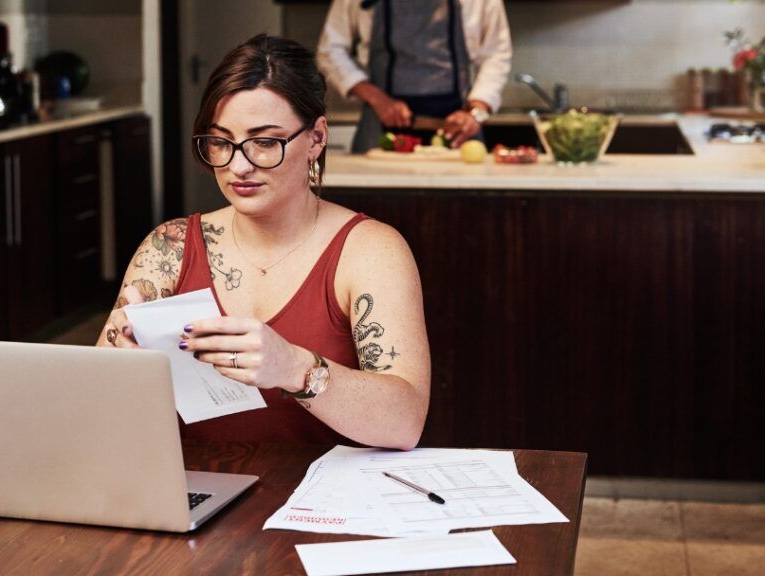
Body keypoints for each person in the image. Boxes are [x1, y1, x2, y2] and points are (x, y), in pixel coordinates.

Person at [97, 35, 430, 450]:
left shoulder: (370, 252)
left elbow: (405, 423)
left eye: (265, 142)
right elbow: (101, 416)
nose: (238, 166)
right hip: (194, 498)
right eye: (220, 142)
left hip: (327, 504)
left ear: (317, 138)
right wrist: (119, 372)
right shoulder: (169, 247)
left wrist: (294, 367)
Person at [317, 0, 512, 151]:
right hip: (380, 127)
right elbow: (330, 51)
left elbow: (496, 53)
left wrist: (476, 111)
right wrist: (377, 98)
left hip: (458, 133)